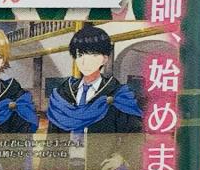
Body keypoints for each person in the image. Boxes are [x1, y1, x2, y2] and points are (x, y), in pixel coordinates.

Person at [13, 23, 142, 134]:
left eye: (92, 55)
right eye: (80, 55)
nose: (85, 61)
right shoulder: (62, 94)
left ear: (104, 58)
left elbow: (133, 136)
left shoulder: (118, 96)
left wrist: (116, 153)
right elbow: (53, 136)